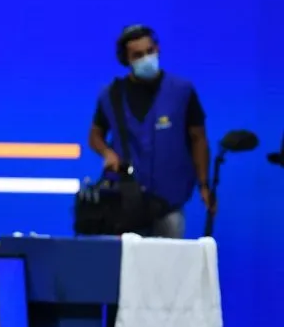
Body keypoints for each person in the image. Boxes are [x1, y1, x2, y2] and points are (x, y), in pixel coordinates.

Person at [88, 24, 212, 238]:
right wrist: (108, 153)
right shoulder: (111, 95)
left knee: (170, 265)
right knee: (127, 267)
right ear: (125, 60)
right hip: (127, 201)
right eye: (138, 55)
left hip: (170, 201)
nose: (146, 58)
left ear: (158, 49)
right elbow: (95, 135)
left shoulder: (182, 91)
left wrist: (203, 184)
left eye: (150, 51)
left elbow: (198, 138)